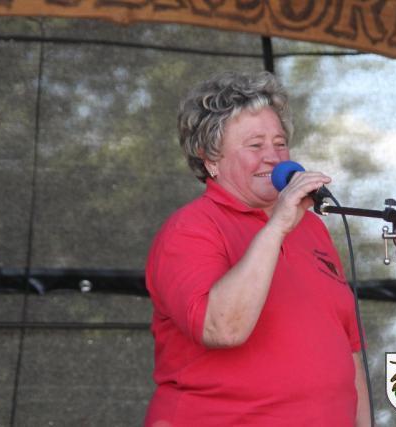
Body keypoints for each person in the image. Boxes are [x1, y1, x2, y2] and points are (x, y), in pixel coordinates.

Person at [144, 70, 370, 426]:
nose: (273, 157)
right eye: (255, 146)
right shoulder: (190, 229)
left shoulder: (311, 227)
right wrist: (276, 227)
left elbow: (349, 349)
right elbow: (223, 329)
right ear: (210, 159)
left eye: (279, 143)